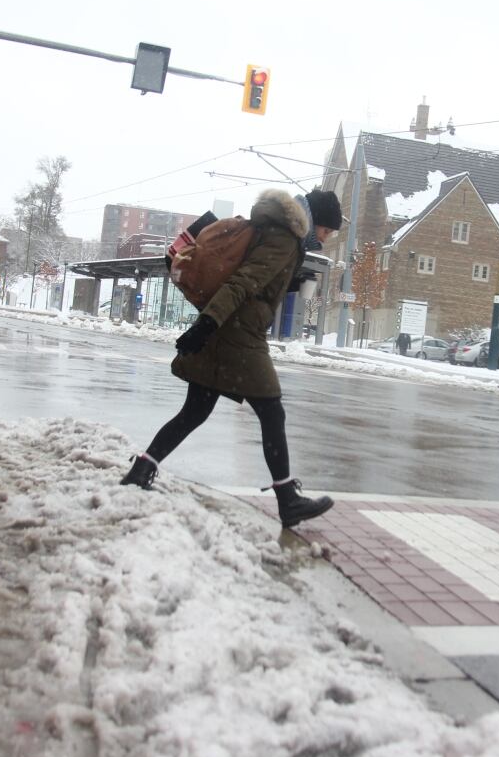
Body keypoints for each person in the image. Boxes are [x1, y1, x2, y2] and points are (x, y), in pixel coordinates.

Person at [120, 187, 344, 529]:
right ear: (315, 220)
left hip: (227, 326)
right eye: (327, 230)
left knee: (194, 411)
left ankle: (141, 470)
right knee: (272, 411)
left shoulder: (274, 230)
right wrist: (208, 323)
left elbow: (258, 279)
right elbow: (243, 282)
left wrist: (291, 282)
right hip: (238, 334)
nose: (325, 239)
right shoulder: (285, 237)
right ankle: (288, 501)